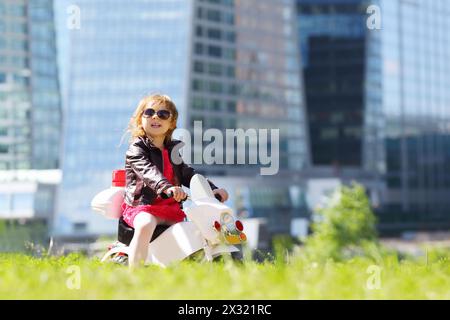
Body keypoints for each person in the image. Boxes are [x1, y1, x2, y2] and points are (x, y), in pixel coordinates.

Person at [123, 94, 229, 268]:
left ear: (171, 123)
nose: (155, 117)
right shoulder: (136, 148)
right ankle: (135, 272)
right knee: (145, 224)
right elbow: (148, 171)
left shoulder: (172, 150)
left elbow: (187, 173)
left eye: (163, 114)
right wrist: (167, 187)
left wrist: (212, 189)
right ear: (140, 118)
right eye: (149, 112)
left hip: (170, 208)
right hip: (143, 206)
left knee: (197, 230)